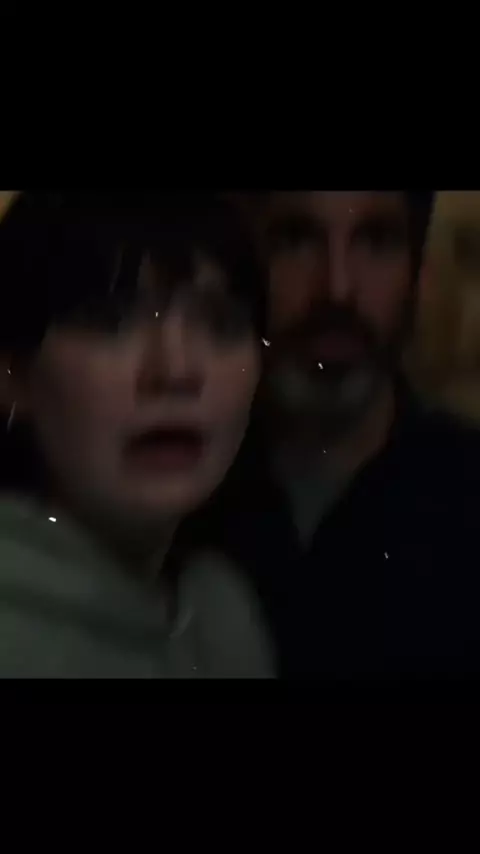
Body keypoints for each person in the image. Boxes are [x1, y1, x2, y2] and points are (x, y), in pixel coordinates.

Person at [182, 190, 480, 678]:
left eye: (376, 241)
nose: (337, 289)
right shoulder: (170, 496)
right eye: (295, 239)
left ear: (417, 272)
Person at [0, 190, 274, 678]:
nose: (176, 370)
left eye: (221, 323)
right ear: (13, 373)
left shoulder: (223, 614)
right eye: (113, 321)